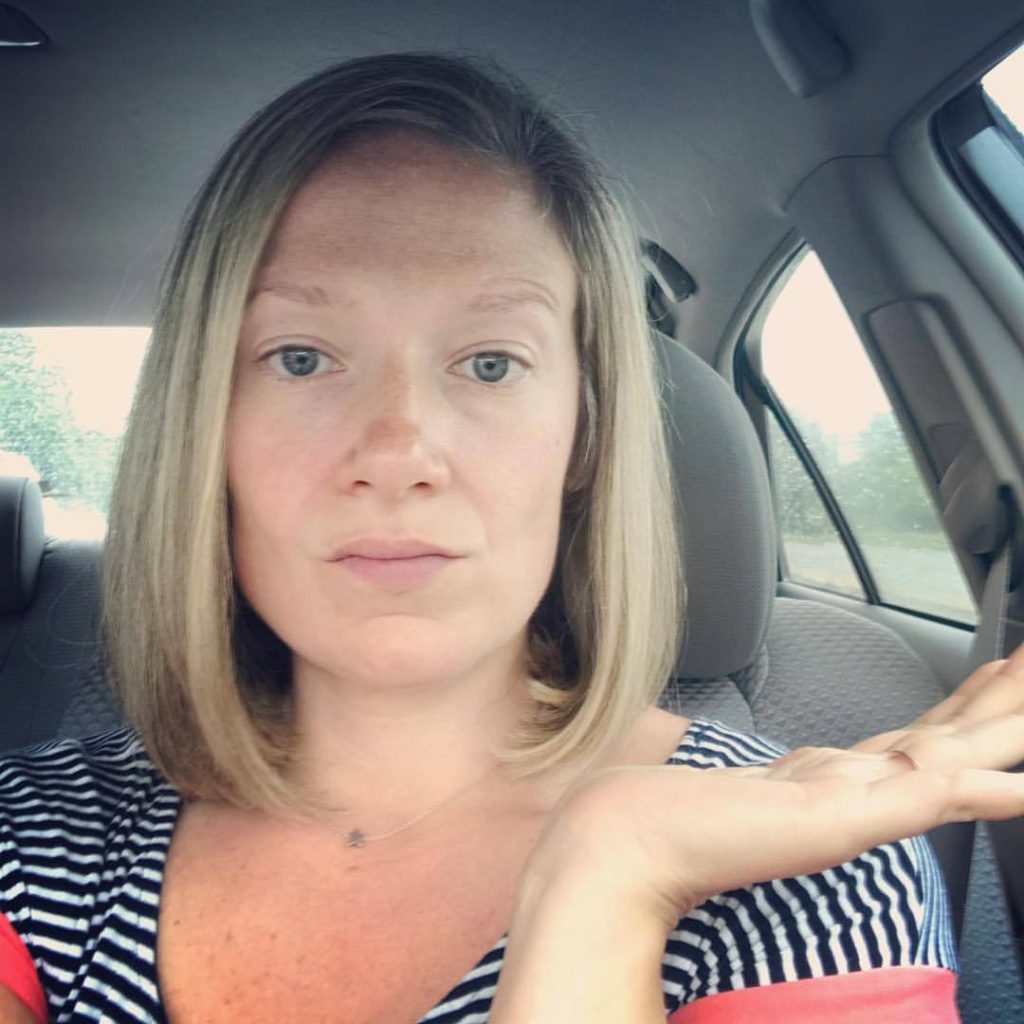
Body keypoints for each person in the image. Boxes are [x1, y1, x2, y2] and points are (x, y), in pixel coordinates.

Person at [0, 50, 1021, 1024]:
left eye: (490, 363)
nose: (397, 452)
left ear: (585, 435)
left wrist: (617, 873)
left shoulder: (807, 867)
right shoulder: (28, 844)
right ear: (204, 431)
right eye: (301, 357)